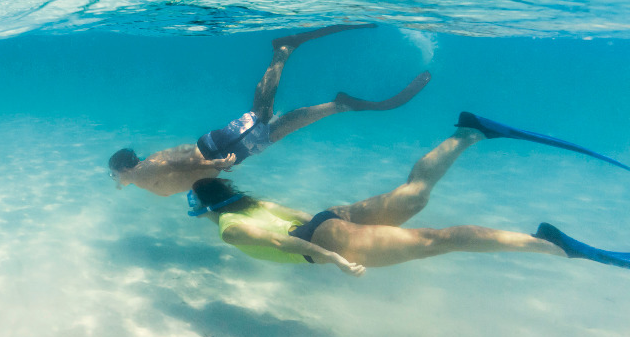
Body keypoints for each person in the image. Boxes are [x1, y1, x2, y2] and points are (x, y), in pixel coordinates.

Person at [187, 114, 630, 274]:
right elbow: (298, 218)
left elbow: (283, 243)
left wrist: (337, 258)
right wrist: (334, 230)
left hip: (324, 241)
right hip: (329, 218)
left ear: (205, 211)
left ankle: (555, 247)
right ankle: (468, 132)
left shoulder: (229, 227)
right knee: (414, 194)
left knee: (438, 239)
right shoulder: (252, 204)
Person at [108, 24, 431, 196]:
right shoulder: (135, 174)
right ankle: (338, 103)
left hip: (216, 151)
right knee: (271, 130)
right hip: (219, 154)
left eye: (115, 174)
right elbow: (166, 169)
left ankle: (285, 52)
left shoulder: (143, 172)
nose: (116, 179)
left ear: (124, 167)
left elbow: (175, 163)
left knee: (262, 117)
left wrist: (211, 163)